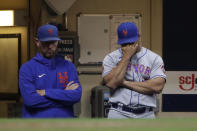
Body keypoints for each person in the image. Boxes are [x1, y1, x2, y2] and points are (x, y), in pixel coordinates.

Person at [102, 22, 166, 119]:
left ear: (139, 36)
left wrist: (124, 83)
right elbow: (112, 83)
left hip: (146, 114)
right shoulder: (111, 58)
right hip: (118, 112)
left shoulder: (154, 58)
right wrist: (126, 57)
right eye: (124, 43)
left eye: (131, 42)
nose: (128, 47)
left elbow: (157, 87)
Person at [19, 24, 82, 118]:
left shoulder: (68, 66)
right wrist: (63, 95)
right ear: (37, 42)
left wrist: (45, 92)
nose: (50, 46)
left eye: (53, 42)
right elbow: (30, 100)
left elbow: (76, 96)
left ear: (57, 42)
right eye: (46, 42)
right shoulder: (27, 68)